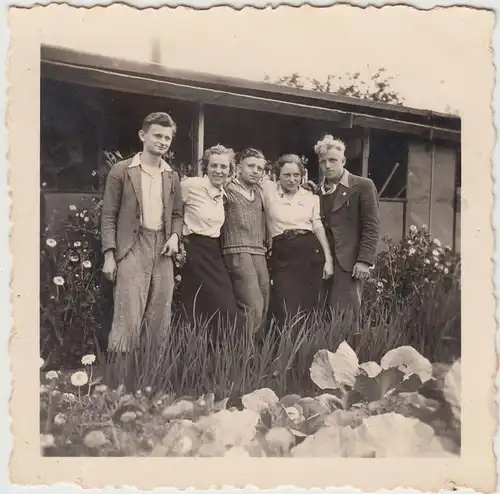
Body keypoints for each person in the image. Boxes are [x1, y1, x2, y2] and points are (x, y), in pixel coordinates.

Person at [101, 112, 183, 356]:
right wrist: (109, 254)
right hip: (132, 245)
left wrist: (175, 237)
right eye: (157, 135)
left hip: (163, 249)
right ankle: (122, 383)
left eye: (167, 138)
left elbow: (178, 214)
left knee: (160, 315)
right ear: (142, 135)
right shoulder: (122, 170)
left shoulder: (171, 175)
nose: (162, 141)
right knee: (128, 311)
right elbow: (108, 215)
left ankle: (150, 380)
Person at [313, 135, 381, 328]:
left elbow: (372, 225)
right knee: (324, 318)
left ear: (343, 161)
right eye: (323, 161)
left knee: (347, 318)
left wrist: (364, 261)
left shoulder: (362, 185)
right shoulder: (316, 192)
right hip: (323, 263)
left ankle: (350, 357)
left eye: (333, 160)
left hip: (349, 263)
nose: (328, 165)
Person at [262, 154, 334, 326]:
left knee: (309, 306)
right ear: (277, 175)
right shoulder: (268, 192)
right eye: (286, 175)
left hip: (309, 252)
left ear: (302, 176)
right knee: (286, 306)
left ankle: (307, 350)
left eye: (296, 175)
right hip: (283, 252)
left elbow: (318, 227)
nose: (292, 180)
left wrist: (328, 260)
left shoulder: (311, 198)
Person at [178, 144, 240, 334]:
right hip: (193, 250)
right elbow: (173, 213)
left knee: (224, 306)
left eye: (224, 167)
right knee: (200, 306)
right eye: (214, 166)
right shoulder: (191, 185)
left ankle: (217, 356)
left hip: (213, 251)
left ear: (230, 171)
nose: (218, 171)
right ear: (206, 167)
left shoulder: (223, 194)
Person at [221, 148, 270, 336]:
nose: (256, 171)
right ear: (239, 168)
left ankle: (256, 358)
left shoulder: (260, 192)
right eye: (251, 166)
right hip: (237, 251)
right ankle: (240, 356)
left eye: (260, 168)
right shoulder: (227, 189)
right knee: (253, 307)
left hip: (259, 251)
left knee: (264, 304)